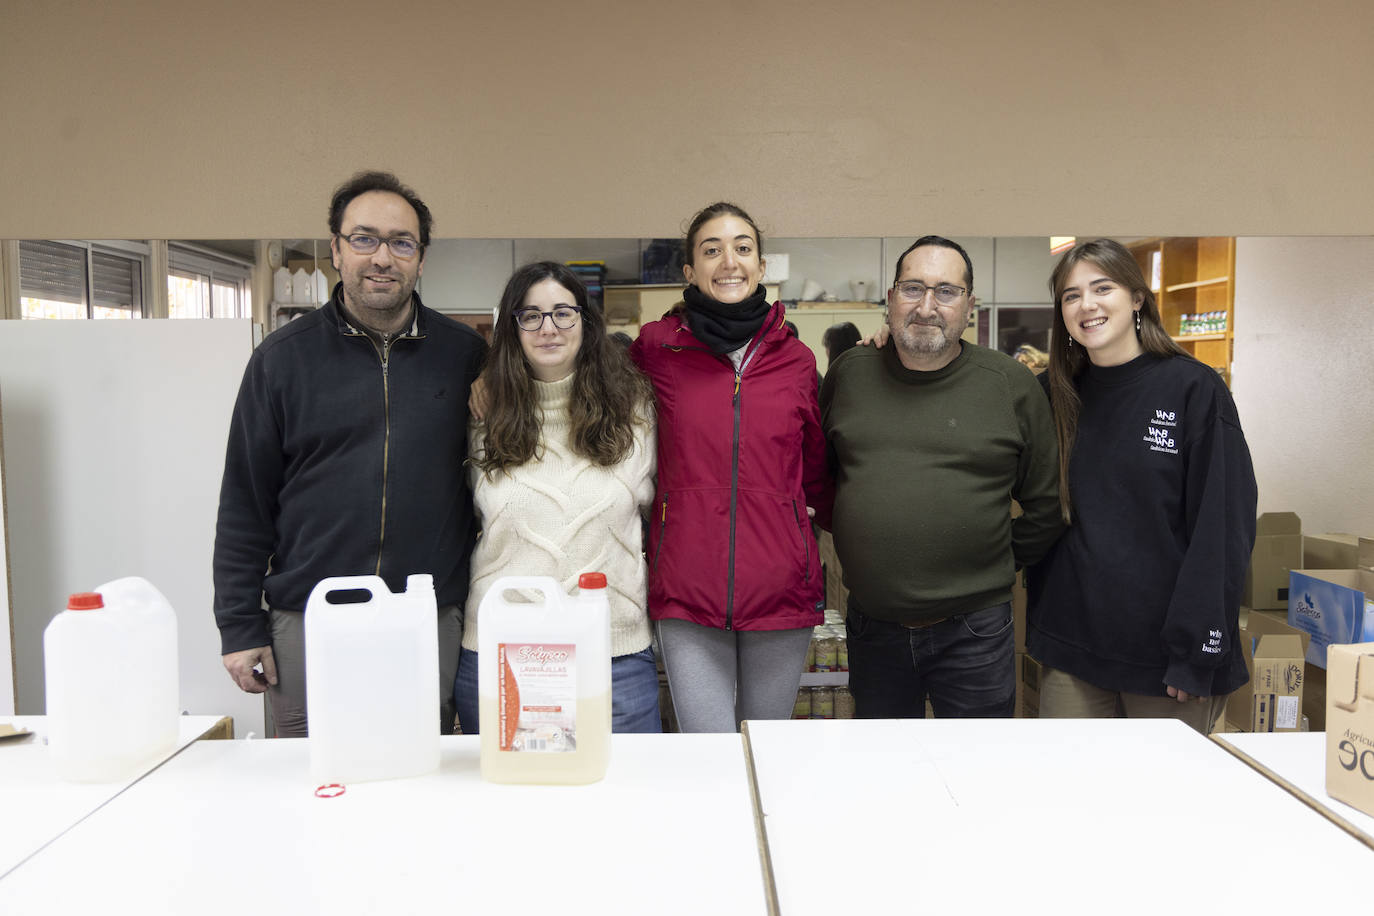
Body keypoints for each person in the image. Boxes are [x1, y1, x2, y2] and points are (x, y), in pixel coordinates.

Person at [213, 170, 486, 737]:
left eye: (400, 242)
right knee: (308, 779)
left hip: (424, 616)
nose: (382, 257)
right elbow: (245, 501)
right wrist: (240, 627)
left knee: (417, 776)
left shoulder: (465, 357)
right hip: (309, 616)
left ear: (421, 256)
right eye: (364, 239)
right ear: (336, 249)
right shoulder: (282, 359)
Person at [820, 236, 1063, 718]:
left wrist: (993, 562)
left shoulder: (1008, 384)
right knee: (884, 772)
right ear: (890, 299)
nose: (927, 306)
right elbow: (826, 476)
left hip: (975, 629)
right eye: (913, 288)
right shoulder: (850, 373)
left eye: (947, 292)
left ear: (969, 306)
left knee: (976, 775)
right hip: (874, 625)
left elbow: (1047, 500)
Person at [1026, 238, 1257, 732]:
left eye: (1101, 287)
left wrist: (1197, 651)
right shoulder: (1050, 395)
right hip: (1073, 648)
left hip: (1166, 659)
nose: (1086, 305)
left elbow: (1222, 527)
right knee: (1070, 798)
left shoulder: (1193, 388)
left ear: (1136, 297)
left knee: (1162, 805)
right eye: (1070, 295)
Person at [630, 202, 831, 733]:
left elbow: (814, 471)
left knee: (766, 752)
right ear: (690, 272)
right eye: (711, 250)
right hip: (686, 588)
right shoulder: (657, 348)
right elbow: (592, 397)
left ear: (762, 266)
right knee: (707, 755)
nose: (729, 262)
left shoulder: (798, 360)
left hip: (780, 588)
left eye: (743, 248)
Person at [452, 262, 660, 733]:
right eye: (531, 315)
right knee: (507, 803)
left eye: (563, 313)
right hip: (503, 651)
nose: (548, 328)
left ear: (586, 324)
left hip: (614, 654)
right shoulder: (483, 414)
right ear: (514, 328)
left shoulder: (635, 410)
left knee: (625, 800)